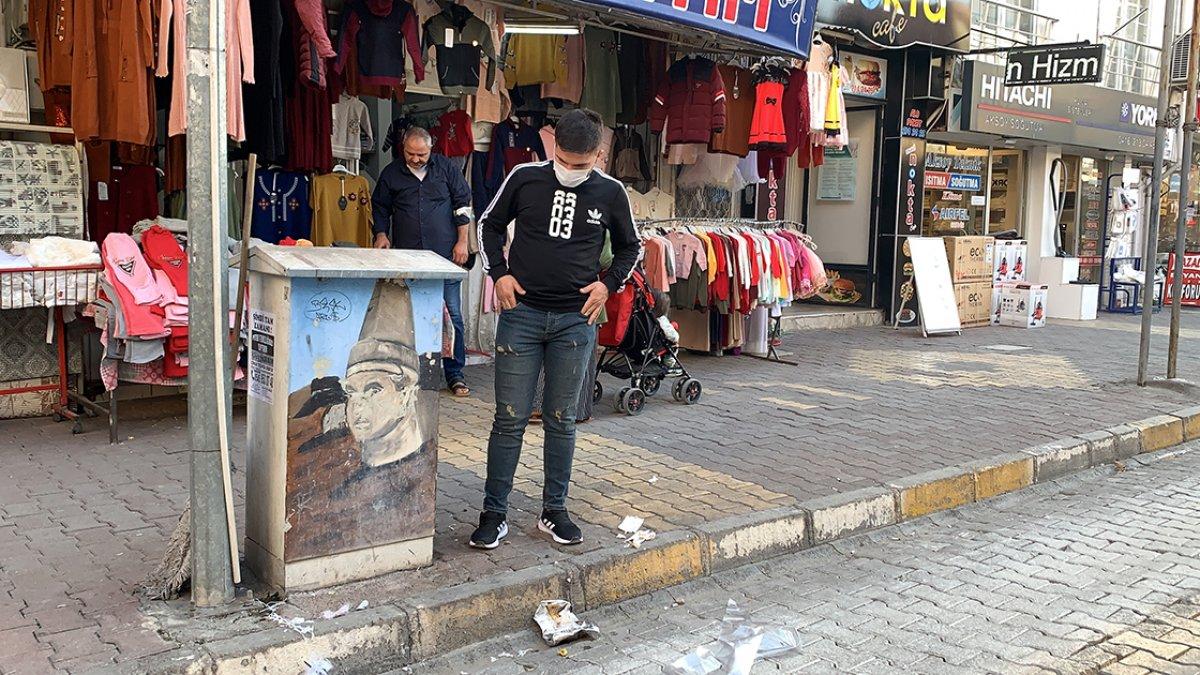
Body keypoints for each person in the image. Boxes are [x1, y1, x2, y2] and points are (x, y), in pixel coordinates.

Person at [471, 109, 642, 549]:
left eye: (581, 165)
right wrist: (500, 273)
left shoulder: (611, 191)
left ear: (599, 156)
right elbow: (488, 225)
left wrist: (607, 286)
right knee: (508, 420)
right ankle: (494, 513)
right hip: (521, 316)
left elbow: (630, 247)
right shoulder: (524, 178)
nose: (571, 171)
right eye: (564, 161)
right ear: (554, 150)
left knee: (562, 420)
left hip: (576, 321)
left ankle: (554, 511)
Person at [372, 126, 474, 397]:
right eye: (411, 153)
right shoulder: (392, 174)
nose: (416, 159)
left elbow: (463, 203)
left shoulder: (446, 169)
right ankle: (413, 372)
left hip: (445, 256)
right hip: (408, 258)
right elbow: (380, 206)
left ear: (431, 149)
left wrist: (462, 241)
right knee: (410, 317)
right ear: (402, 148)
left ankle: (455, 373)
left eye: (422, 154)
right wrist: (381, 234)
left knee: (452, 316)